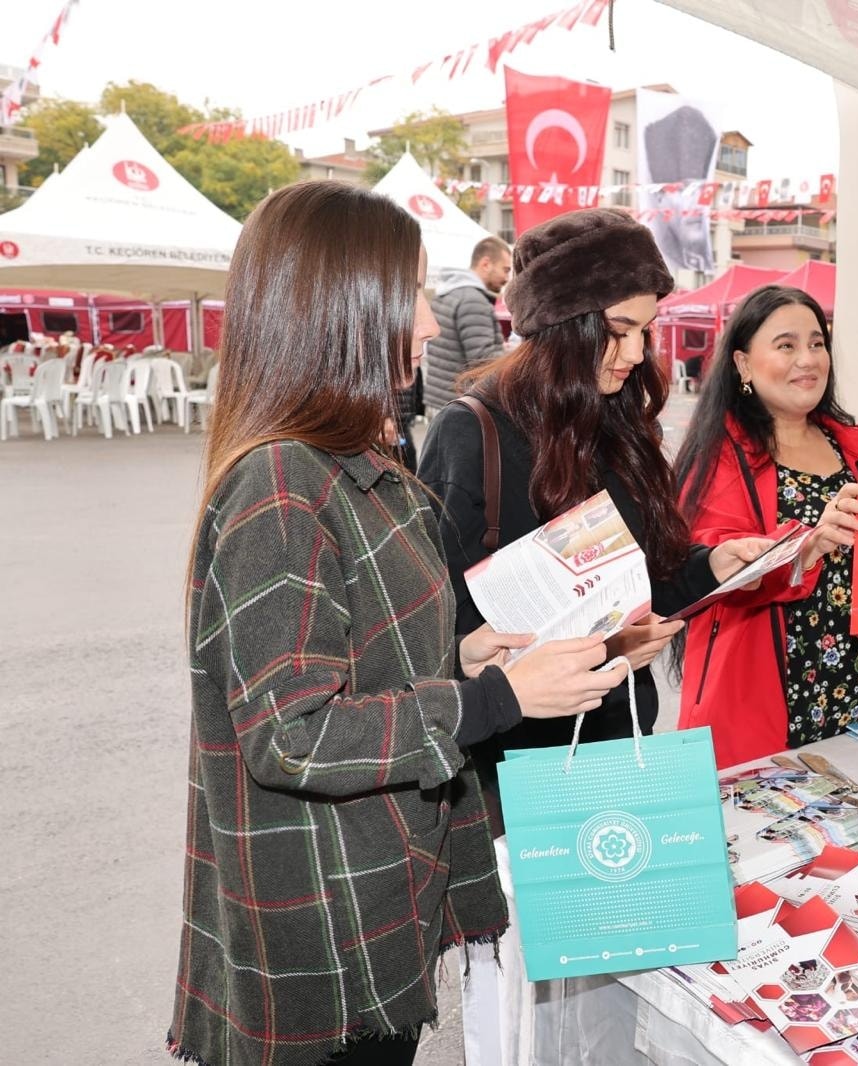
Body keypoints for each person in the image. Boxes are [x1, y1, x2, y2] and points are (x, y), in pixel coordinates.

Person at [167, 182, 626, 1066]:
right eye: (409, 292)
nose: (426, 322)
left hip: (382, 898)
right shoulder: (279, 485)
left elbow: (349, 650)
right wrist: (489, 699)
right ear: (341, 306)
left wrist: (463, 651)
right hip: (323, 938)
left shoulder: (352, 462)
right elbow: (294, 734)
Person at [417, 207, 772, 1065]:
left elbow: (642, 586)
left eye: (644, 333)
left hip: (613, 750)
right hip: (509, 772)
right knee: (523, 1009)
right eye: (616, 332)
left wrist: (709, 569)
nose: (632, 356)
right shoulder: (472, 432)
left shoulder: (618, 424)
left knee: (616, 994)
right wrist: (517, 651)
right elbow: (427, 628)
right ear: (556, 324)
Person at [673, 284, 858, 769]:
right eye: (786, 345)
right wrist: (807, 545)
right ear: (743, 365)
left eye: (817, 344)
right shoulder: (720, 460)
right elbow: (716, 566)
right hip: (776, 708)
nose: (808, 359)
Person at [423, 235, 512, 415]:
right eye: (505, 269)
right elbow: (484, 360)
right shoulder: (473, 300)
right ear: (486, 264)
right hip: (460, 402)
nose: (506, 278)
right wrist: (515, 356)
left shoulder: (449, 293)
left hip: (442, 395)